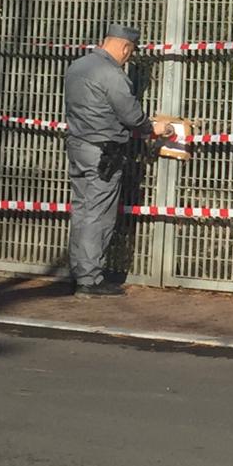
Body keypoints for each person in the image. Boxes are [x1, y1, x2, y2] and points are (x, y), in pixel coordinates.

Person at [63, 24, 152, 296]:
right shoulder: (111, 74)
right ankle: (90, 280)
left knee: (81, 210)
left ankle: (79, 270)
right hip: (104, 153)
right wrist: (153, 128)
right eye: (131, 52)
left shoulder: (77, 67)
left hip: (78, 146)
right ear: (125, 47)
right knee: (98, 214)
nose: (129, 58)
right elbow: (131, 115)